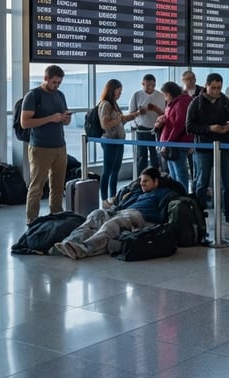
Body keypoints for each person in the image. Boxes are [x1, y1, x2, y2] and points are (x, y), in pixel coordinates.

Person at [54, 167, 175, 259]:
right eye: (141, 181)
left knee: (112, 225)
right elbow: (119, 206)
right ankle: (69, 242)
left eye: (146, 181)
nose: (142, 184)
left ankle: (84, 248)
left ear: (156, 182)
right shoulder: (137, 193)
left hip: (140, 217)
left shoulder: (162, 193)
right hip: (122, 212)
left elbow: (163, 212)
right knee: (96, 215)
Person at [20, 65, 71, 226]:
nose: (56, 86)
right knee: (37, 186)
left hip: (59, 146)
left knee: (57, 185)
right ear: (46, 78)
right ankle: (32, 220)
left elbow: (65, 118)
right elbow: (25, 122)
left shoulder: (60, 95)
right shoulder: (33, 96)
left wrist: (65, 119)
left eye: (59, 83)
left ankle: (56, 212)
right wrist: (50, 118)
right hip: (40, 147)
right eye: (54, 82)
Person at [186, 73, 229, 224]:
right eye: (213, 88)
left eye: (219, 88)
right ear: (206, 86)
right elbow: (189, 127)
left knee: (228, 183)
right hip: (203, 148)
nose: (216, 91)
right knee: (202, 182)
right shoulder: (196, 103)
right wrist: (210, 128)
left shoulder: (225, 101)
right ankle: (199, 216)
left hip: (223, 146)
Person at [97, 79, 139, 202]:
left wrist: (135, 115)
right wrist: (119, 119)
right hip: (110, 141)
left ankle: (113, 197)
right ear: (112, 90)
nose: (120, 94)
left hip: (118, 141)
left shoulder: (114, 104)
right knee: (107, 170)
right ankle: (104, 199)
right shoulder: (105, 104)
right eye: (118, 91)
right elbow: (105, 124)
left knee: (115, 170)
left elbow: (121, 120)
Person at [157, 81, 192, 187]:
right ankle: (176, 196)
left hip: (176, 143)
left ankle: (182, 198)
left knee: (179, 173)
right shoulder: (174, 103)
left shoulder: (181, 103)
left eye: (165, 95)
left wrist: (168, 143)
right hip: (172, 143)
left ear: (169, 93)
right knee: (173, 174)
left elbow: (179, 124)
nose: (165, 98)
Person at [130, 74, 165, 173]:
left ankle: (156, 177)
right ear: (142, 84)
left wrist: (155, 109)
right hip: (141, 128)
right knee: (142, 155)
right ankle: (141, 177)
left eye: (153, 85)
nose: (150, 88)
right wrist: (139, 113)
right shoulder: (136, 95)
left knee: (155, 154)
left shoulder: (160, 95)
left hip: (157, 128)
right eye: (148, 85)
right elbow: (131, 113)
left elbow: (165, 114)